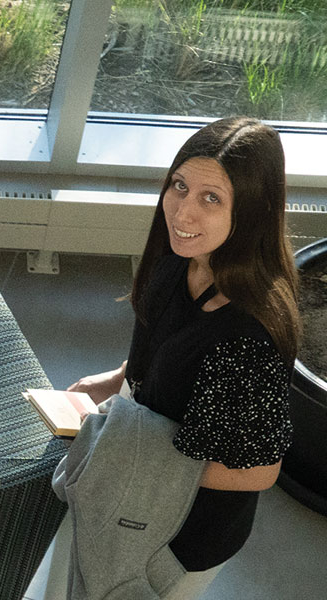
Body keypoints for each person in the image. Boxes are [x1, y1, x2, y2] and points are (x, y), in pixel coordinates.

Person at [64, 116, 296, 598]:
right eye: (180, 186)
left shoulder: (248, 338)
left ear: (252, 210)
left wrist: (127, 455)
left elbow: (259, 469)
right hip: (129, 495)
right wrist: (117, 380)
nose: (182, 213)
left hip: (178, 542)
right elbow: (169, 349)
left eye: (211, 198)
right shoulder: (180, 260)